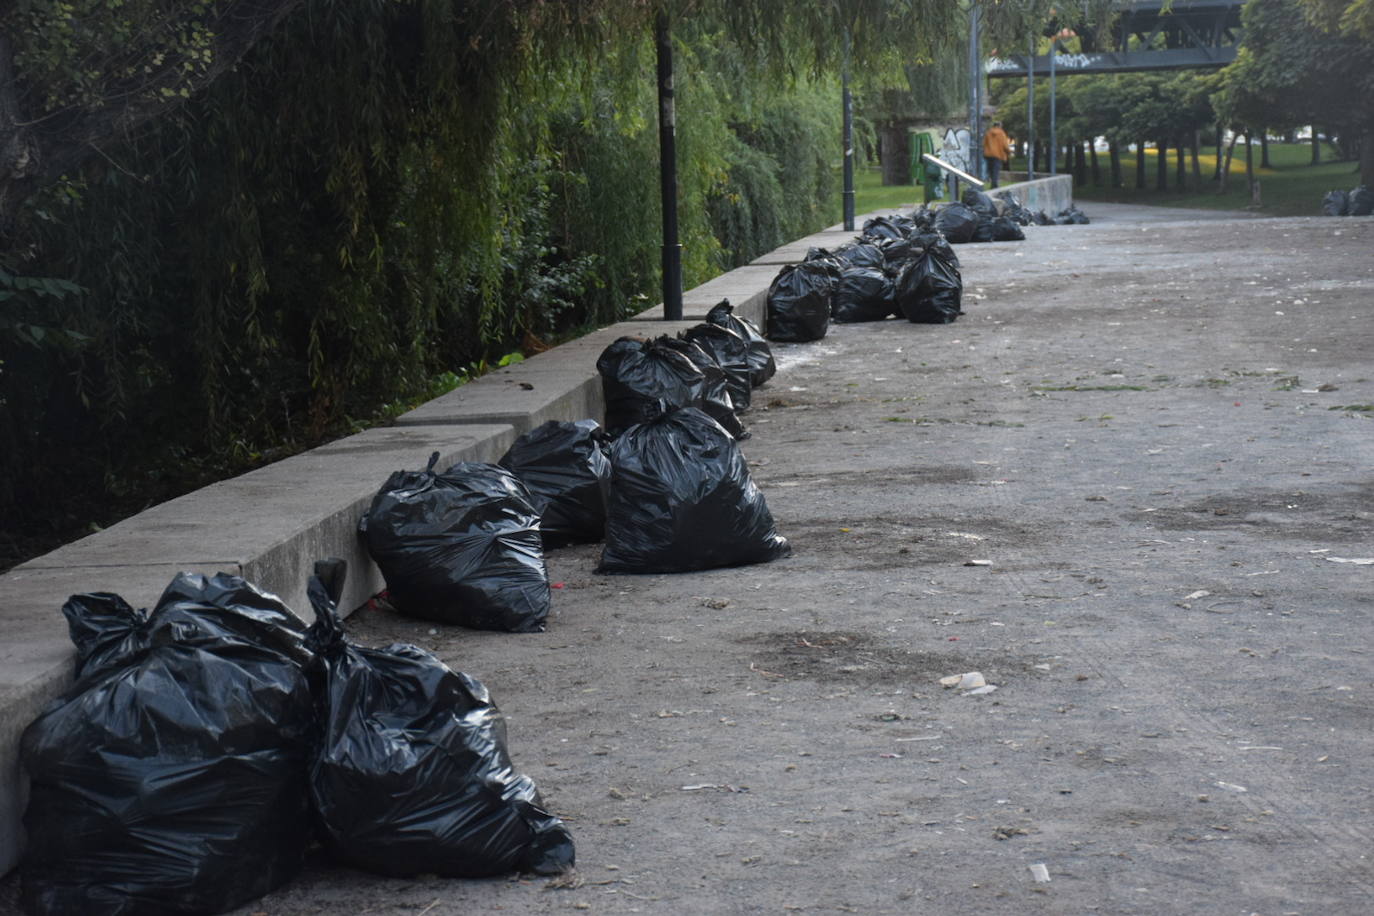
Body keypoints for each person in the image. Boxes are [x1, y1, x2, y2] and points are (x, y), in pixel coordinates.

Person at [982, 121, 1012, 188]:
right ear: (999, 126)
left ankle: (993, 183)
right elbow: (1005, 145)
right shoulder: (1001, 133)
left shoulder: (988, 133)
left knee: (990, 170)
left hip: (988, 155)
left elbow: (984, 144)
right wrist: (1009, 152)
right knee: (996, 170)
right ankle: (994, 184)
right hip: (998, 155)